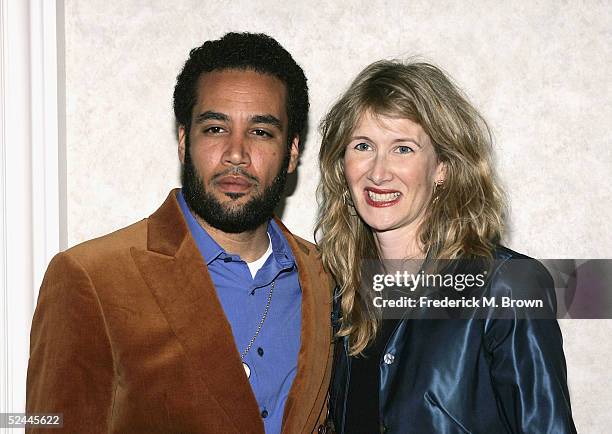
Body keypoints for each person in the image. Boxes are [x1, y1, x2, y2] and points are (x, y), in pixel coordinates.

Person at [27, 32, 334, 434]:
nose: (236, 154)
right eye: (215, 129)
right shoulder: (91, 278)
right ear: (183, 140)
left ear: (292, 151)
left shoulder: (328, 279)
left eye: (261, 131)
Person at [317, 60, 576, 433]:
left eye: (402, 149)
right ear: (342, 165)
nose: (377, 172)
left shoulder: (507, 287)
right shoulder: (338, 296)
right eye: (363, 146)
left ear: (443, 167)